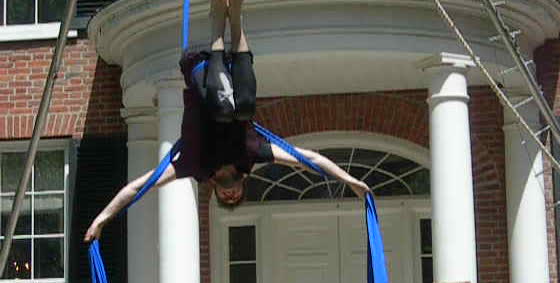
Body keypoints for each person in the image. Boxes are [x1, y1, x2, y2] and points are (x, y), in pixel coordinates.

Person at [83, 0, 370, 243]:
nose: (231, 194)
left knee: (223, 107)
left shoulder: (193, 163)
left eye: (226, 198)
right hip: (231, 81)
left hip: (201, 71)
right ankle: (236, 21)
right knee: (243, 107)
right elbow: (308, 159)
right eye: (236, 197)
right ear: (243, 184)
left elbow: (138, 187)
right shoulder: (252, 153)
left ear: (216, 190)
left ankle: (218, 24)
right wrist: (352, 181)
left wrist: (101, 219)